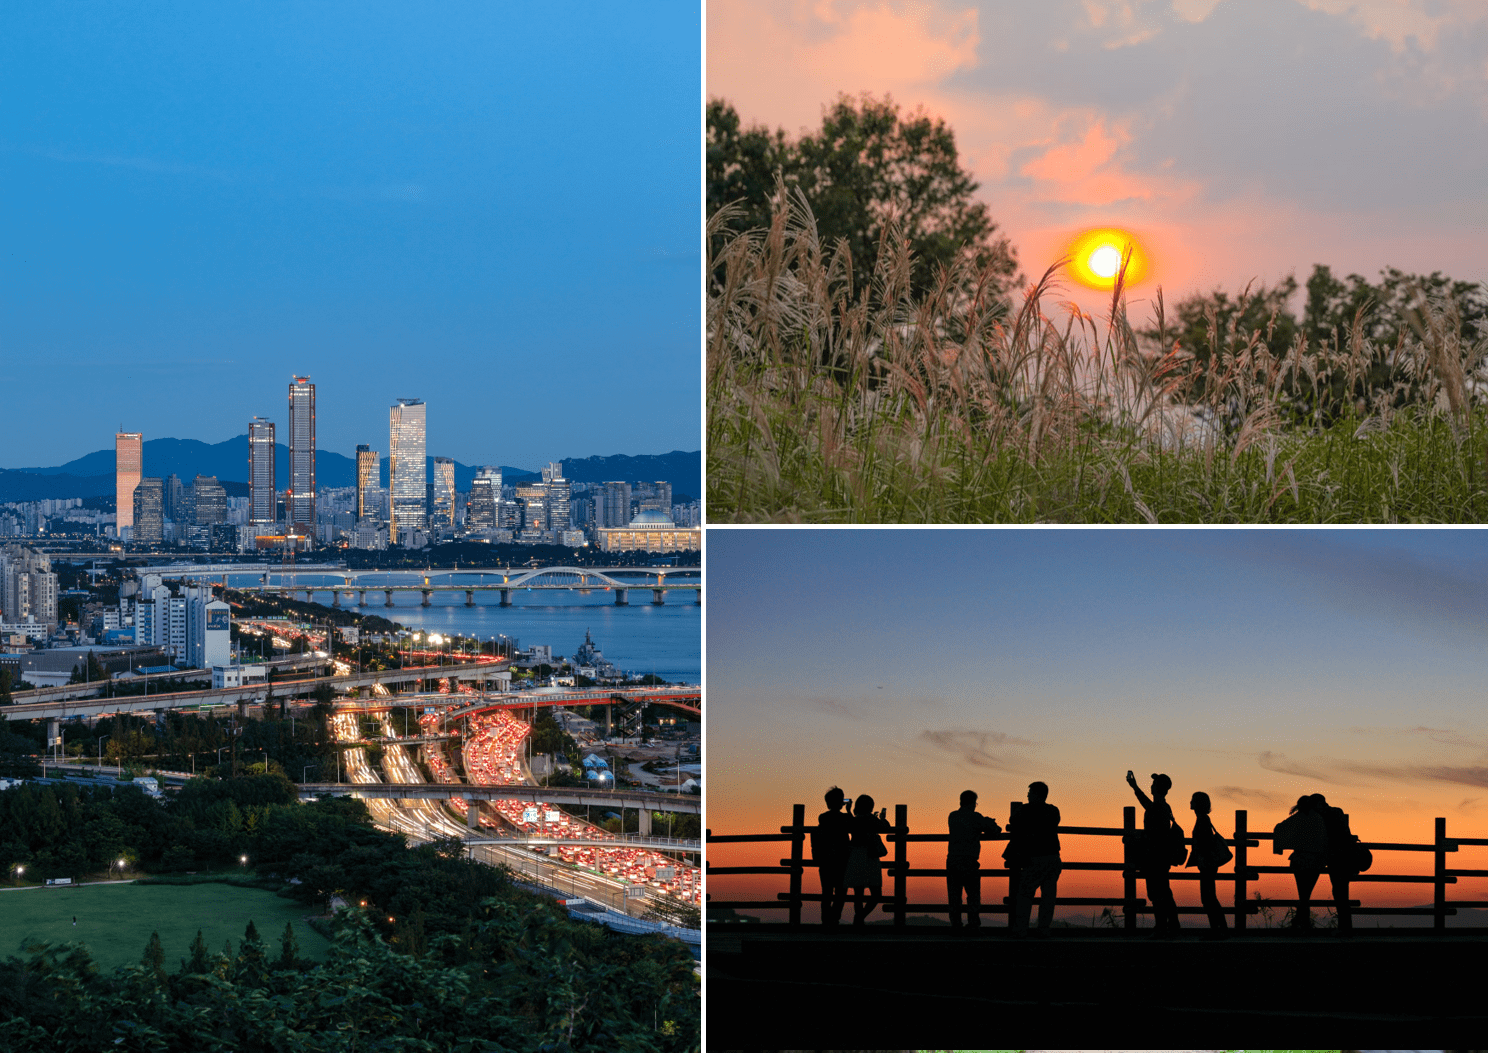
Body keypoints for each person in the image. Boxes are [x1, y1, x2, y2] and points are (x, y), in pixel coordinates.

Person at [1126, 770, 1181, 938]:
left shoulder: (1159, 808)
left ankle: (1162, 928)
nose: (1150, 786)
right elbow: (1147, 804)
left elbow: (1156, 834)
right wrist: (1134, 787)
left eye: (1153, 784)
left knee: (1157, 894)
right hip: (1160, 857)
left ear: (1157, 788)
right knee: (1164, 892)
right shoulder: (1162, 807)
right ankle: (1172, 926)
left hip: (1155, 857)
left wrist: (1141, 836)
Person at [1008, 781, 1062, 937]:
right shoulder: (1053, 811)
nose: (1028, 796)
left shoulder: (1025, 810)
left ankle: (1020, 929)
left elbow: (1013, 820)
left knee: (1025, 894)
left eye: (1030, 793)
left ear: (1037, 794)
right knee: (1048, 896)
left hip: (1035, 858)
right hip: (1053, 857)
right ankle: (1043, 929)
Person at [945, 789, 1001, 933]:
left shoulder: (953, 816)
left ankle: (956, 925)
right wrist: (987, 822)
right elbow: (996, 830)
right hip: (969, 861)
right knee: (973, 895)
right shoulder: (976, 817)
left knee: (954, 896)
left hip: (952, 860)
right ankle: (973, 925)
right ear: (973, 803)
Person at [1273, 794, 1328, 933]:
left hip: (1300, 860)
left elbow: (1279, 828)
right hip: (1316, 861)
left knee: (1303, 894)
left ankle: (1300, 923)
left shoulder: (1297, 818)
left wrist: (1282, 846)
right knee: (1306, 894)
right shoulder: (1319, 818)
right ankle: (1303, 923)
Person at [842, 794, 893, 926]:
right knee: (876, 894)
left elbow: (848, 825)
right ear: (871, 806)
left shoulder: (853, 820)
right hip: (870, 856)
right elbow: (885, 827)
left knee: (858, 893)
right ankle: (860, 918)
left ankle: (858, 920)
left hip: (855, 856)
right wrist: (882, 818)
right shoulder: (871, 819)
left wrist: (848, 811)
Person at [1312, 793, 1357, 937]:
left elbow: (1324, 838)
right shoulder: (1338, 811)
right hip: (1347, 858)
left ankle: (1344, 929)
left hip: (1336, 859)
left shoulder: (1322, 817)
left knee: (1339, 893)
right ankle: (1346, 927)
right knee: (1342, 892)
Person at [1186, 791, 1229, 939]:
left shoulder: (1202, 820)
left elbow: (1204, 842)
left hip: (1207, 863)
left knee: (1208, 898)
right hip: (1209, 862)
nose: (1190, 802)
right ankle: (1221, 929)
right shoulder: (1203, 819)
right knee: (1210, 897)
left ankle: (1217, 931)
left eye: (1193, 800)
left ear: (1198, 803)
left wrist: (1201, 858)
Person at [812, 786, 852, 927]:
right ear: (841, 802)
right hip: (842, 860)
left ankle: (826, 921)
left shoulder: (823, 817)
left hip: (826, 860)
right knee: (841, 893)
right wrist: (849, 811)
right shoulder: (845, 818)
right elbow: (853, 827)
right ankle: (834, 919)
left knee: (827, 893)